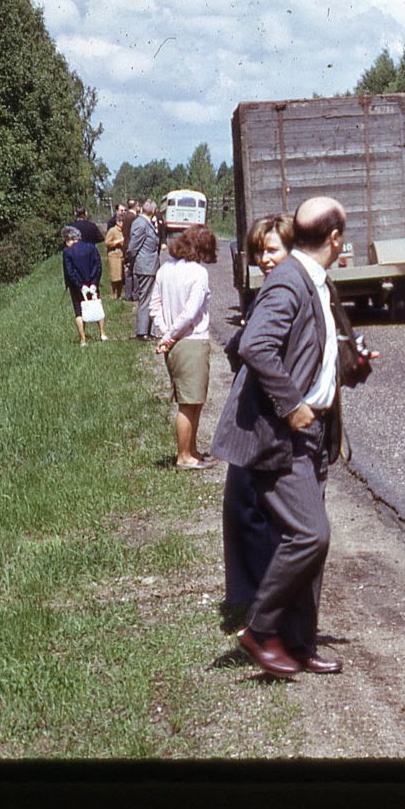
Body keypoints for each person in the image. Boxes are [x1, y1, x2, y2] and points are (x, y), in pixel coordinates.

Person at [211, 196, 349, 677]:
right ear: (335, 239)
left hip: (315, 432)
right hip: (282, 435)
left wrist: (350, 371)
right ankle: (260, 629)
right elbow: (254, 346)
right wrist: (291, 405)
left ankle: (300, 643)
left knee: (311, 541)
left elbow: (316, 354)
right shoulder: (289, 281)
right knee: (310, 533)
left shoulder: (315, 281)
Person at [220, 213, 295, 632]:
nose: (265, 259)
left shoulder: (284, 292)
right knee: (244, 505)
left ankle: (264, 606)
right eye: (260, 251)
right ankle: (255, 599)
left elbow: (254, 350)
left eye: (273, 250)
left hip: (267, 417)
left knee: (254, 506)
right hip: (257, 413)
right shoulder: (272, 290)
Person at [151, 225, 217, 470]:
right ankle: (184, 457)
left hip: (175, 343)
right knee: (189, 403)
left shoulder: (165, 269)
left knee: (194, 399)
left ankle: (192, 449)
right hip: (191, 341)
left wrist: (165, 333)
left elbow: (154, 306)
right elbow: (191, 312)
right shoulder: (198, 273)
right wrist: (170, 335)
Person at [61, 226, 105, 345]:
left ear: (70, 239)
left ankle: (83, 340)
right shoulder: (91, 247)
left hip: (77, 286)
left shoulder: (67, 252)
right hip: (92, 283)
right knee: (97, 305)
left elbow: (70, 271)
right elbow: (98, 266)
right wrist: (94, 283)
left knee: (79, 312)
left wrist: (80, 286)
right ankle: (102, 333)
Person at [127, 199, 161, 338]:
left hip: (149, 266)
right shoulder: (141, 223)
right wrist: (131, 262)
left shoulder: (145, 222)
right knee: (146, 298)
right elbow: (133, 247)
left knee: (151, 299)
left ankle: (149, 331)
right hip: (145, 267)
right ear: (153, 211)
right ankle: (142, 332)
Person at [104, 215, 126, 300]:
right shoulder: (112, 230)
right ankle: (112, 295)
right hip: (113, 256)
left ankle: (119, 295)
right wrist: (116, 242)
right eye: (122, 222)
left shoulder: (123, 231)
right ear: (118, 222)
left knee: (120, 277)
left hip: (121, 255)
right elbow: (106, 243)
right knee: (114, 277)